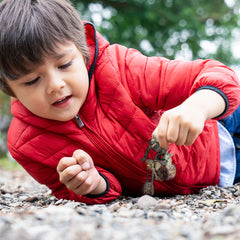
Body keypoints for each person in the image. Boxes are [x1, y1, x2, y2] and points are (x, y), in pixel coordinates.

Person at [0, 0, 240, 204]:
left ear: (82, 52)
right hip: (224, 173)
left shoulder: (119, 68)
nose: (55, 85)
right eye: (32, 81)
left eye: (64, 65)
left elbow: (217, 74)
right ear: (10, 88)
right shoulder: (26, 144)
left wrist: (197, 107)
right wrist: (93, 183)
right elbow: (70, 189)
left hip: (221, 123)